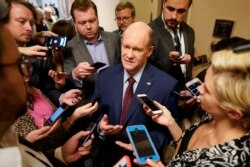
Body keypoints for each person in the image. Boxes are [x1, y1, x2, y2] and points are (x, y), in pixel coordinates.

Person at [118, 43, 250, 166]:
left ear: (234, 112)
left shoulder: (227, 161)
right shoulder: (212, 117)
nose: (199, 89)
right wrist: (169, 121)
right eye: (203, 82)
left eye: (208, 90)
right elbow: (185, 148)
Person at [0, 18, 94, 167]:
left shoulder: (35, 91)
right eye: (16, 67)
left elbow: (51, 132)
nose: (26, 75)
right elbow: (45, 141)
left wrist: (61, 153)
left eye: (27, 67)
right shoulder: (16, 112)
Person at [92, 22, 180, 167]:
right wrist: (101, 127)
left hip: (141, 162)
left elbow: (169, 129)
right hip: (106, 158)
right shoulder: (105, 76)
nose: (129, 55)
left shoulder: (166, 85)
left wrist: (143, 146)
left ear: (149, 51)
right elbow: (96, 113)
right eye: (126, 47)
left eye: (138, 49)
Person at [64, 0, 121, 103]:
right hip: (90, 105)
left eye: (92, 21)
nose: (88, 27)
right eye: (82, 23)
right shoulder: (69, 47)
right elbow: (67, 82)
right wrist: (75, 74)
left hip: (117, 100)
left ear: (98, 19)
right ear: (74, 23)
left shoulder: (115, 39)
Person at [149, 0, 194, 89]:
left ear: (188, 9)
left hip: (184, 93)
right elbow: (146, 71)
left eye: (181, 11)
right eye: (170, 9)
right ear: (163, 4)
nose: (174, 16)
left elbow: (188, 69)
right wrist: (170, 62)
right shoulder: (149, 31)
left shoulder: (190, 32)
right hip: (160, 93)